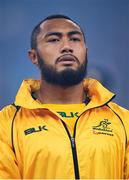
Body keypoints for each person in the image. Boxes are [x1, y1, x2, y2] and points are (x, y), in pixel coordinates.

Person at [0, 14, 129, 179]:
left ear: (86, 52)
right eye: (54, 40)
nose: (67, 47)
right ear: (34, 56)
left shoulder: (124, 121)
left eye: (75, 39)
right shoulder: (5, 125)